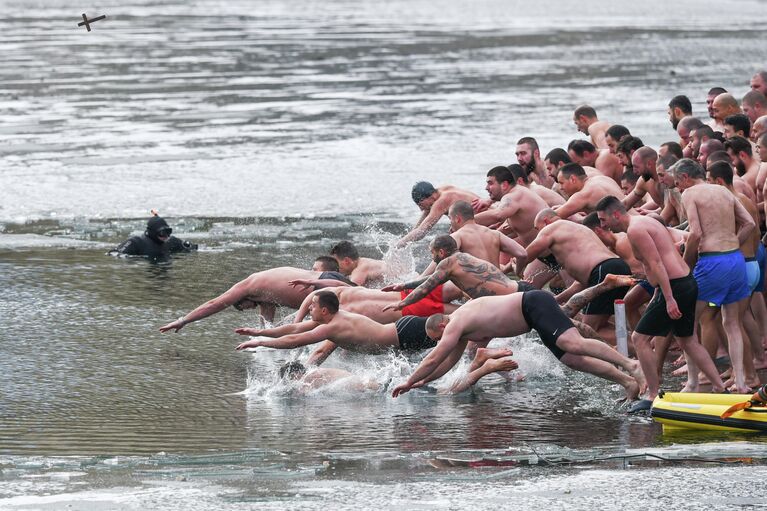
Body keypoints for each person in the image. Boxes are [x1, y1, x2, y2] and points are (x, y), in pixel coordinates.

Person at [390, 286, 646, 401]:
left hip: (532, 303)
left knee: (573, 343)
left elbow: (435, 357)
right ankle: (627, 383)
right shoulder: (461, 329)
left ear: (441, 326)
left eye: (438, 338)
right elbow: (448, 360)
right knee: (572, 359)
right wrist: (424, 381)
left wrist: (409, 380)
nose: (442, 342)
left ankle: (631, 365)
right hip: (532, 318)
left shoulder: (455, 323)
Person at [595, 196, 725, 409]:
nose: (603, 225)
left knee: (639, 339)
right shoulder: (647, 222)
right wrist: (659, 291)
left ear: (615, 214)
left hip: (674, 287)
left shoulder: (635, 229)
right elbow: (665, 256)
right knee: (688, 341)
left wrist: (669, 297)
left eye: (603, 219)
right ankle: (721, 388)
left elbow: (656, 263)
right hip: (684, 282)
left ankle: (652, 395)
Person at [673, 158, 756, 393]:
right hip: (735, 260)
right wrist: (730, 245)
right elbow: (749, 223)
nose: (678, 188)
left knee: (689, 324)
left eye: (678, 182)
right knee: (732, 323)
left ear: (685, 178)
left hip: (712, 263)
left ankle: (692, 382)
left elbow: (696, 233)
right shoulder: (724, 190)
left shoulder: (690, 194)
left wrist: (685, 263)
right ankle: (741, 383)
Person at [525, 208, 632, 341]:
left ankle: (638, 351)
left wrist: (515, 267)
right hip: (616, 267)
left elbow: (525, 255)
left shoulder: (551, 228)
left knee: (588, 329)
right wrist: (556, 299)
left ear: (546, 222)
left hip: (604, 271)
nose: (538, 233)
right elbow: (580, 284)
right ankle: (639, 348)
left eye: (537, 228)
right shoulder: (578, 232)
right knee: (599, 325)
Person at [234, 291, 439, 354]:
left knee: (459, 336)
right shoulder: (330, 319)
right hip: (401, 337)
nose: (308, 309)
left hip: (407, 332)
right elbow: (295, 328)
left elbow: (295, 340)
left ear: (324, 310)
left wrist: (260, 343)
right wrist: (258, 332)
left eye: (312, 306)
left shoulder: (333, 326)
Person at [158, 266, 356, 330]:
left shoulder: (248, 285)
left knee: (360, 316)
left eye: (245, 307)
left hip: (326, 284)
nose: (250, 308)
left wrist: (183, 320)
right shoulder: (264, 296)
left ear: (242, 300)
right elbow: (266, 325)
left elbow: (215, 304)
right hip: (327, 281)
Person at [381, 235, 531, 314]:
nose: (432, 258)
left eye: (432, 253)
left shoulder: (447, 263)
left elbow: (426, 288)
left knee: (470, 343)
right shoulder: (462, 258)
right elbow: (432, 280)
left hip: (515, 298)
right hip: (521, 290)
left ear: (441, 252)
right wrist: (404, 285)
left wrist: (402, 303)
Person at [276, 350, 519, 395]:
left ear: (295, 376)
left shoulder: (308, 378)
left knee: (447, 393)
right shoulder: (318, 372)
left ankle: (483, 367)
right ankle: (477, 363)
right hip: (374, 384)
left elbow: (303, 394)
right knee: (439, 387)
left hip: (375, 387)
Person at [474, 166, 548, 247]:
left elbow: (498, 215)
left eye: (490, 183)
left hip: (551, 253)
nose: (486, 188)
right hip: (544, 253)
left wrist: (467, 220)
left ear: (504, 185)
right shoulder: (517, 192)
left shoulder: (513, 195)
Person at [396, 181, 479, 247]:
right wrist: (406, 238)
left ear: (430, 197)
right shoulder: (440, 191)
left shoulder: (442, 201)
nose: (421, 209)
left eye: (420, 204)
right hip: (480, 217)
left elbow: (421, 232)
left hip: (484, 218)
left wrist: (397, 245)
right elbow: (420, 225)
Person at [110, 212, 197, 259]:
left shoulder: (171, 241)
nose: (166, 236)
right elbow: (114, 253)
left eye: (168, 232)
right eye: (162, 233)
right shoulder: (136, 242)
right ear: (152, 232)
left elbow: (192, 248)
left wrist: (190, 246)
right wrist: (128, 257)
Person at [553, 162, 625, 219]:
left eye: (561, 183)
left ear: (572, 179)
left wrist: (574, 217)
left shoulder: (584, 193)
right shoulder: (602, 178)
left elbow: (551, 218)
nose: (560, 188)